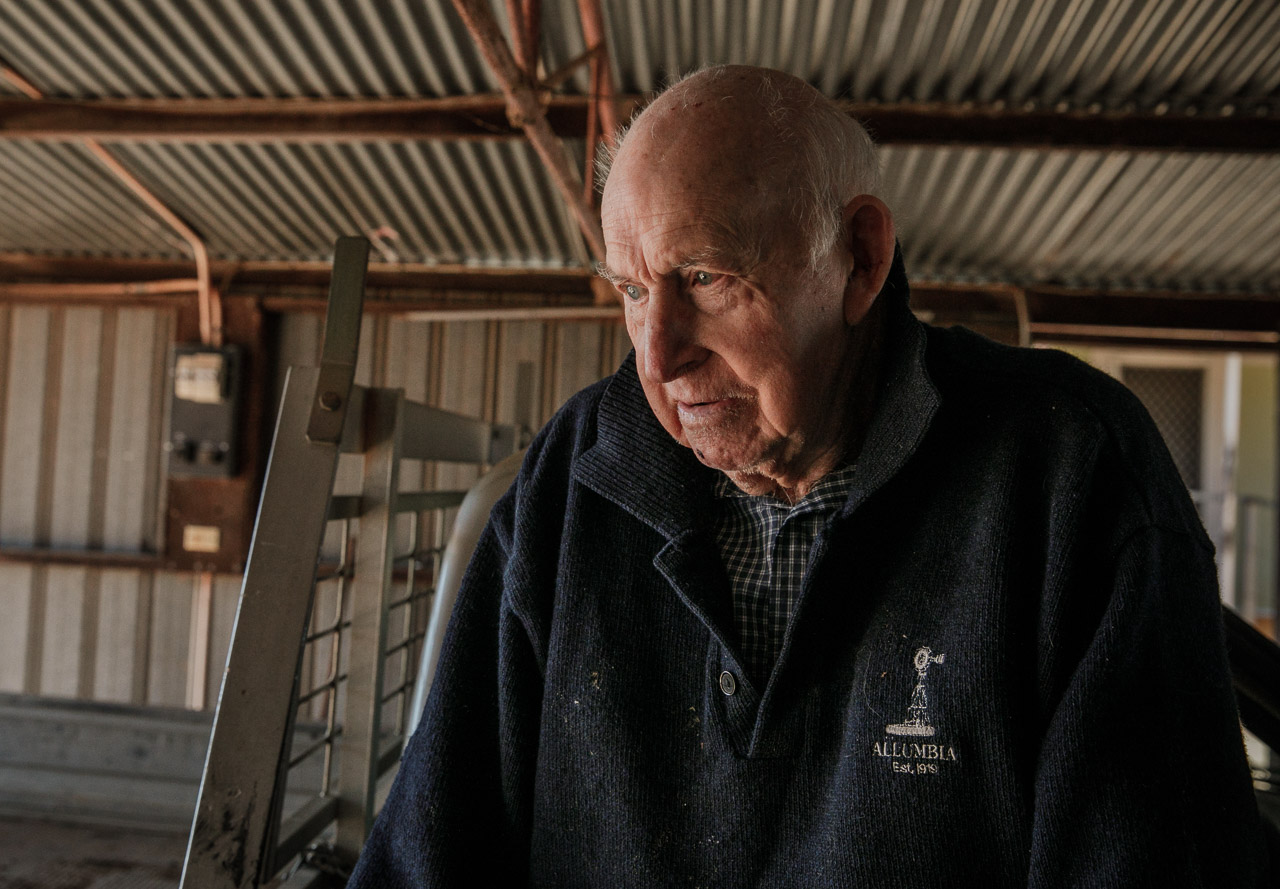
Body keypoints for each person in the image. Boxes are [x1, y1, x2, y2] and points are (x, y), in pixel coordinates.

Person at [347, 65, 1267, 887]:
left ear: (860, 257)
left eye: (704, 276)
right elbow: (431, 850)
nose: (655, 356)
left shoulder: (1071, 471)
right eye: (632, 290)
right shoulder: (575, 477)